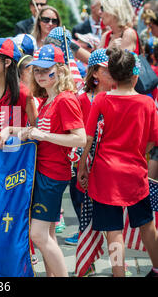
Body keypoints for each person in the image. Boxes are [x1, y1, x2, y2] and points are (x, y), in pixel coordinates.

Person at [78, 48, 158, 277]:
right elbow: (152, 143)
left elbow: (89, 137)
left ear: (112, 74)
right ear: (135, 75)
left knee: (113, 231)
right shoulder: (147, 102)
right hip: (135, 174)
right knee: (146, 225)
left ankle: (118, 273)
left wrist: (83, 166)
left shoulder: (102, 99)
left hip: (105, 175)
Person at [17, 44, 86, 277]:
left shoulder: (65, 99)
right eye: (37, 70)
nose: (41, 75)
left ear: (60, 70)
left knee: (37, 235)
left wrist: (43, 135)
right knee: (46, 234)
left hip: (52, 174)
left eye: (47, 70)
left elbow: (80, 139)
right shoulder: (49, 100)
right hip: (44, 172)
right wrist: (25, 132)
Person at [65, 49, 113, 250]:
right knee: (79, 196)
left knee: (109, 207)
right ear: (94, 73)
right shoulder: (82, 98)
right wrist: (79, 158)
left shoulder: (116, 96)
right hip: (83, 155)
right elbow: (78, 129)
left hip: (107, 157)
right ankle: (86, 238)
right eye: (105, 69)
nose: (111, 73)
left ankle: (110, 242)